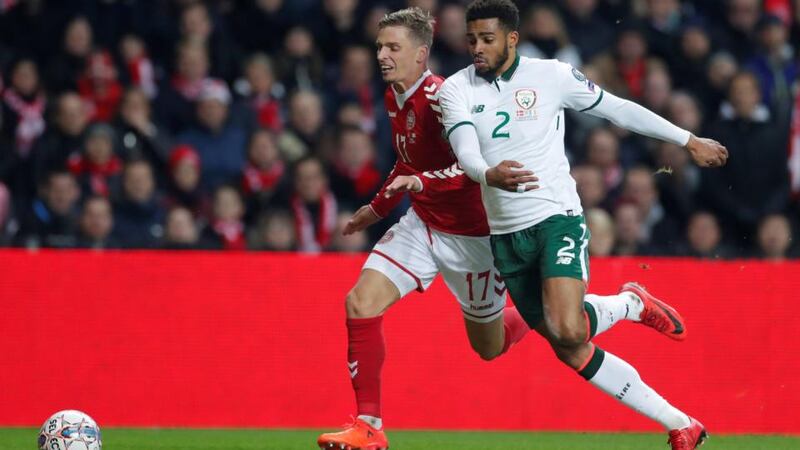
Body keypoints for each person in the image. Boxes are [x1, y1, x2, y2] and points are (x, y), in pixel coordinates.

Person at [317, 7, 668, 450]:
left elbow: (471, 170)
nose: (382, 56)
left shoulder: (445, 99)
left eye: (393, 48)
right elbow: (409, 163)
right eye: (380, 47)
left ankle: (619, 303)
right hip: (422, 224)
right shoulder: (394, 97)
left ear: (421, 53)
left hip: (473, 240)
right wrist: (377, 205)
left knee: (489, 346)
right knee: (360, 303)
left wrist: (420, 182)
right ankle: (368, 425)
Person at [437, 1, 729, 449]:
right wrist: (486, 174)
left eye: (487, 39)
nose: (477, 47)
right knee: (569, 347)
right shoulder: (455, 88)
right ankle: (682, 422)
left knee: (569, 328)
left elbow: (618, 109)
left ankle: (630, 305)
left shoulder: (552, 75)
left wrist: (687, 139)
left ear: (512, 39)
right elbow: (466, 151)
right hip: (505, 234)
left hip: (556, 217)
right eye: (471, 39)